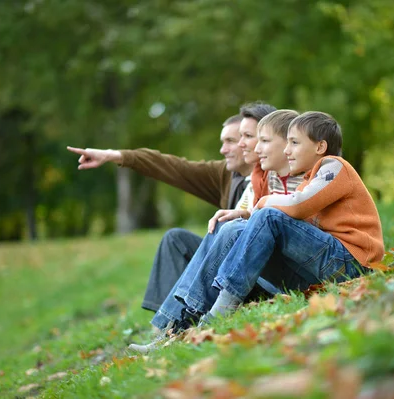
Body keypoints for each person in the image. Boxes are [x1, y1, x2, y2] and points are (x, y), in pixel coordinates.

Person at [67, 102, 277, 312]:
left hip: (257, 275)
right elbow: (171, 166)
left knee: (224, 230)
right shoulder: (225, 175)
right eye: (231, 140)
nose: (226, 149)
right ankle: (167, 324)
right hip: (229, 269)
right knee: (175, 240)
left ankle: (182, 320)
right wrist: (114, 155)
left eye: (236, 139)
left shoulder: (276, 174)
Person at [129, 109, 306, 354]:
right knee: (181, 237)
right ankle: (170, 325)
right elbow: (177, 168)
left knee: (229, 228)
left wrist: (244, 215)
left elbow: (279, 221)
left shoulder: (283, 173)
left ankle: (181, 323)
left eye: (247, 137)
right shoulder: (252, 175)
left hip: (267, 270)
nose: (240, 146)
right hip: (248, 261)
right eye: (238, 138)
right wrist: (120, 156)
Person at [203, 111, 385, 321]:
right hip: (330, 266)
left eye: (294, 143)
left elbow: (298, 205)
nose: (287, 150)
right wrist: (247, 215)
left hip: (353, 262)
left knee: (270, 217)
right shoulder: (310, 180)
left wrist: (262, 203)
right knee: (251, 232)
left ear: (320, 147)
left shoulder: (334, 167)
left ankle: (223, 307)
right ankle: (218, 303)